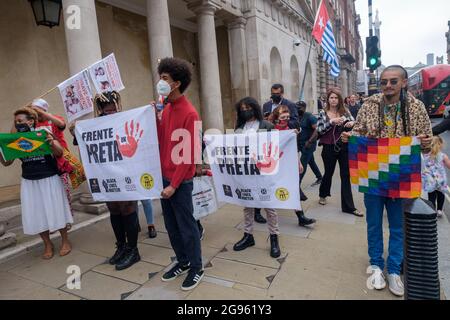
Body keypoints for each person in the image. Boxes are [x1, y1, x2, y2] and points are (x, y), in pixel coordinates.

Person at [342, 65, 433, 297]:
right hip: (373, 174)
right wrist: (349, 137)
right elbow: (358, 132)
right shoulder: (369, 105)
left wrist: (422, 141)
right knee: (373, 223)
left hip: (402, 176)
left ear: (403, 83)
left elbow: (428, 143)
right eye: (384, 82)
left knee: (398, 226)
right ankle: (375, 265)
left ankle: (393, 269)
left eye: (393, 81)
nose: (388, 86)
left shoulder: (416, 107)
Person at [71, 91, 142, 271]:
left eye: (113, 109)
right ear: (101, 109)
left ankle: (133, 250)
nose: (110, 112)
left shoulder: (125, 118)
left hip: (126, 171)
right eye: (107, 110)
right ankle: (121, 246)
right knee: (114, 209)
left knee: (128, 208)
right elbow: (82, 142)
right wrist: (75, 129)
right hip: (105, 173)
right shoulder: (94, 124)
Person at [153, 57, 203, 291]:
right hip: (166, 178)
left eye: (164, 78)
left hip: (180, 182)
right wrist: (155, 116)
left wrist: (173, 184)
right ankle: (182, 262)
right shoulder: (168, 108)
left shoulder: (190, 113)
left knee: (187, 226)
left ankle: (196, 267)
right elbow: (162, 141)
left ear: (176, 83)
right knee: (172, 227)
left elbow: (190, 155)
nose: (160, 82)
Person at [1, 107, 72, 259]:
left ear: (31, 121)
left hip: (49, 178)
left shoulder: (43, 133)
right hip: (29, 181)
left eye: (20, 121)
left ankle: (65, 241)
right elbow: (7, 162)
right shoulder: (15, 140)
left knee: (57, 210)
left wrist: (52, 143)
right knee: (37, 214)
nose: (17, 124)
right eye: (15, 122)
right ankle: (47, 244)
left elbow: (60, 152)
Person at [233, 97, 281, 258]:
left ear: (254, 108)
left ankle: (274, 238)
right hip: (246, 172)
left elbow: (278, 145)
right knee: (247, 205)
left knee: (269, 206)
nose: (245, 110)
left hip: (264, 171)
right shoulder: (239, 127)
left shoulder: (267, 126)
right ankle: (248, 235)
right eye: (242, 108)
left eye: (247, 107)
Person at [316, 88, 361, 217]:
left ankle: (348, 206)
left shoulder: (345, 111)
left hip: (344, 146)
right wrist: (331, 122)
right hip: (329, 147)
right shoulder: (322, 112)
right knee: (328, 173)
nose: (334, 100)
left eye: (336, 98)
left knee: (345, 175)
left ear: (340, 99)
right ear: (328, 99)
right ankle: (323, 194)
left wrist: (352, 122)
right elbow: (319, 129)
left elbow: (355, 124)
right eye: (331, 98)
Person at [31, 98, 73, 230]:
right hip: (44, 164)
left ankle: (67, 219)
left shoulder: (53, 119)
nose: (36, 114)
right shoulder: (32, 125)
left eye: (38, 111)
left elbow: (61, 124)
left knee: (64, 193)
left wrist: (44, 113)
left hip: (60, 161)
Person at [271, 105, 316, 227]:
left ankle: (301, 217)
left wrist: (298, 162)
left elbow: (293, 148)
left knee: (293, 188)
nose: (285, 119)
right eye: (282, 117)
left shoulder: (290, 129)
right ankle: (257, 211)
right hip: (273, 164)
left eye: (287, 117)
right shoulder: (270, 130)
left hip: (287, 163)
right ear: (276, 118)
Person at [296, 101, 323, 188]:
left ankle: (297, 184)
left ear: (304, 108)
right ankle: (319, 177)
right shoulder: (297, 116)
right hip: (301, 143)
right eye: (296, 107)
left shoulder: (310, 117)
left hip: (309, 144)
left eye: (299, 107)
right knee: (311, 161)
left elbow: (317, 129)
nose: (297, 109)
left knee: (303, 164)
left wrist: (310, 141)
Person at [422, 136, 450, 218]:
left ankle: (432, 210)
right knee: (441, 194)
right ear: (440, 145)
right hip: (441, 179)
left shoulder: (425, 155)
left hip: (430, 179)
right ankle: (440, 210)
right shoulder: (443, 156)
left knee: (432, 195)